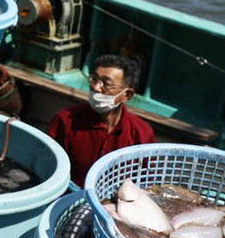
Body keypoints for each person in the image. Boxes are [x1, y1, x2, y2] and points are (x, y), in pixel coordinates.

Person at [47, 54, 155, 187]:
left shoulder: (141, 132)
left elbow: (147, 179)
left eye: (106, 83)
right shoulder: (65, 120)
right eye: (94, 79)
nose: (96, 87)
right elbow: (48, 166)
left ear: (126, 95)